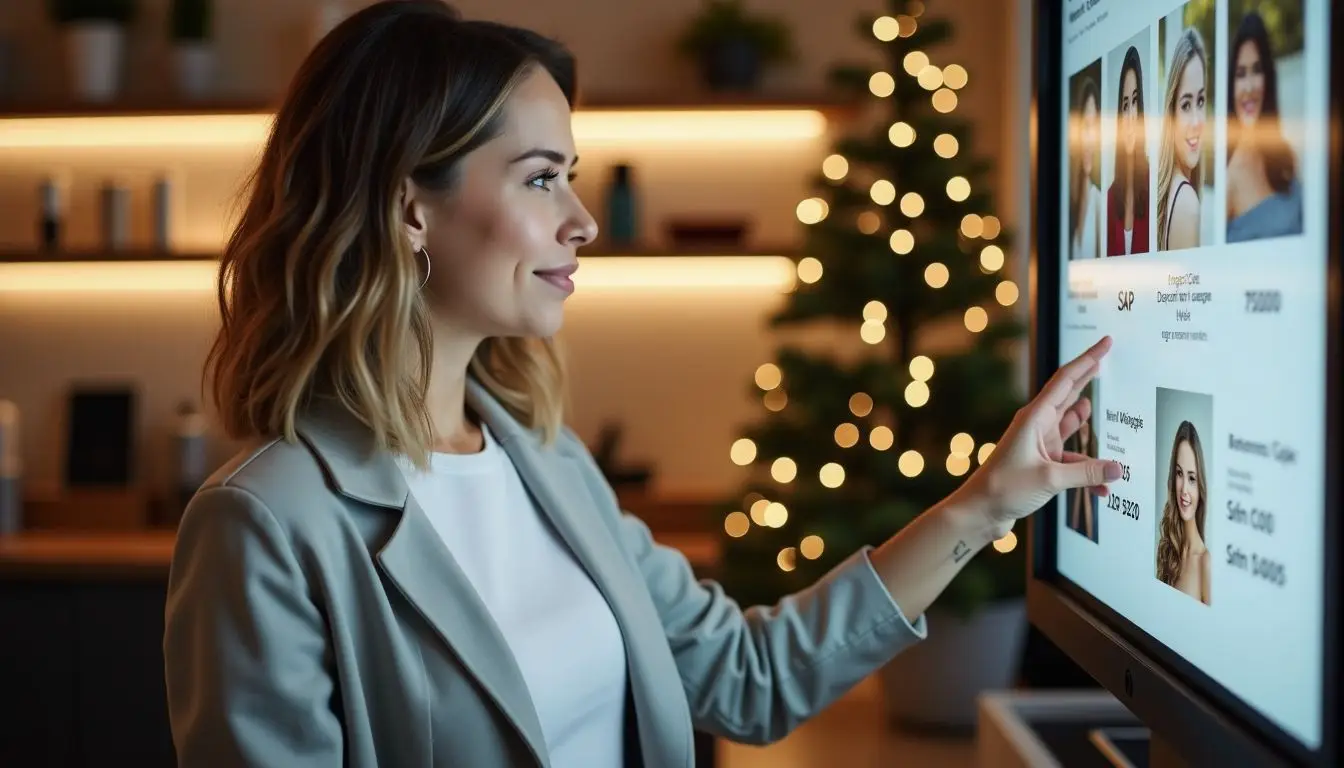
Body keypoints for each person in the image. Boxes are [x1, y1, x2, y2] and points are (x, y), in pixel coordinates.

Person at [161, 2, 1123, 766]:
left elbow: (749, 676)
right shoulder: (265, 524)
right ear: (410, 206)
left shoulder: (544, 459)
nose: (582, 219)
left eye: (572, 177)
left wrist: (987, 502)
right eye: (541, 179)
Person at [1226, 10, 1303, 242]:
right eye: (1240, 74)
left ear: (1268, 79)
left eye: (1257, 70)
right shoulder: (1229, 182)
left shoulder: (1288, 157)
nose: (1249, 86)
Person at [1156, 27, 1208, 251]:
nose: (1196, 121)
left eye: (1201, 101)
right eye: (1186, 105)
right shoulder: (1187, 204)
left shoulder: (1168, 193)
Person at [1155, 420, 1210, 605]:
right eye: (1179, 474)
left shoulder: (1205, 563)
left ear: (1201, 486)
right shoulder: (1167, 549)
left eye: (1192, 478)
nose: (1184, 489)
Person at [1106, 46, 1150, 256]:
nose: (1130, 117)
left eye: (1134, 101)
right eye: (1125, 106)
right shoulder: (1109, 197)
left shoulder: (1156, 187)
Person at [1070, 76, 1104, 260]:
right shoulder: (1070, 201)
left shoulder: (1099, 201)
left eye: (1095, 127)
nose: (1090, 140)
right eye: (1085, 127)